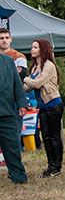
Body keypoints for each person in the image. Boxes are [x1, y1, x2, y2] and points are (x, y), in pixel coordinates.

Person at [23, 39, 63, 178]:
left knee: (54, 137)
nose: (32, 49)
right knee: (45, 137)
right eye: (32, 47)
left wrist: (25, 78)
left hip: (53, 104)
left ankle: (57, 167)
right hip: (42, 106)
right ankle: (50, 165)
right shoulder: (34, 67)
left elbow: (37, 83)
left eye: (35, 47)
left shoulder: (49, 66)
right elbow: (28, 87)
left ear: (42, 50)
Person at [0, 53, 29, 184]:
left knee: (12, 146)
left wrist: (22, 103)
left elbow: (17, 84)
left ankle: (18, 176)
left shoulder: (8, 61)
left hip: (7, 111)